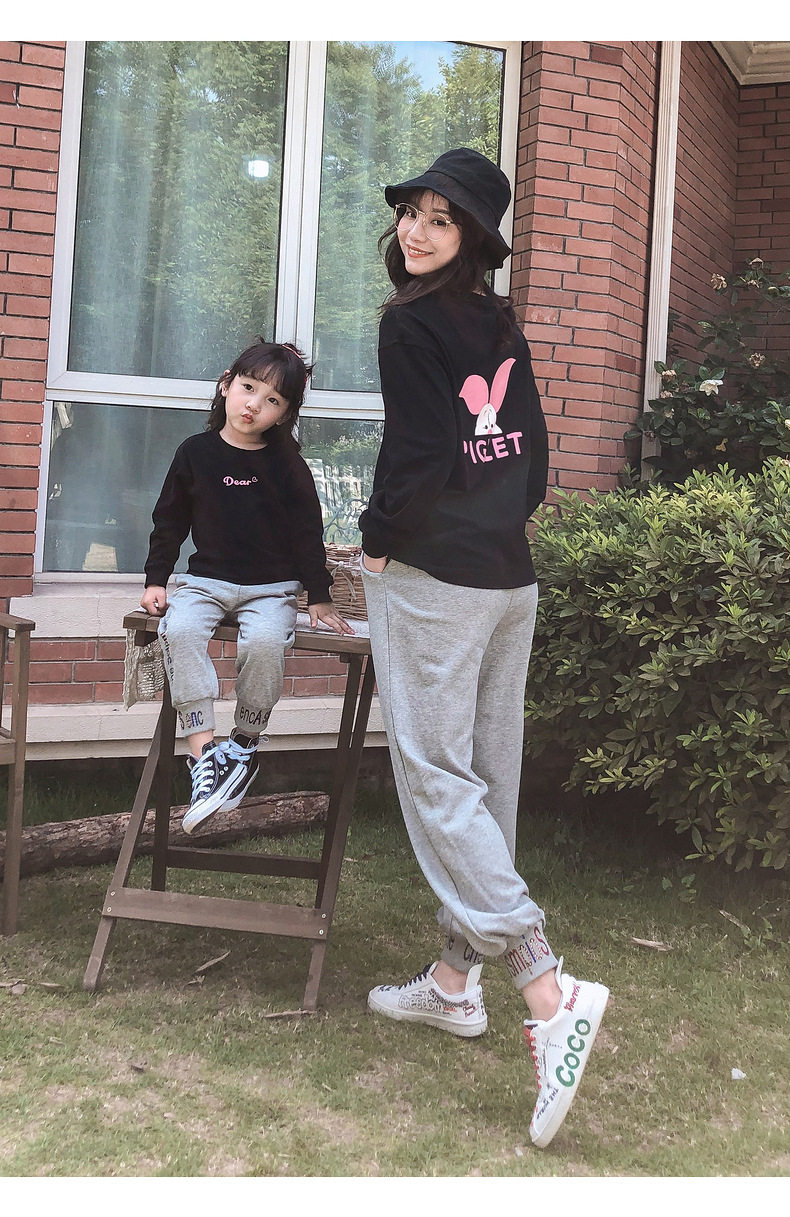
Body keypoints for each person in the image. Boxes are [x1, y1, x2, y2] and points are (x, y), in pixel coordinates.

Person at [358, 148, 609, 1149]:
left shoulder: (409, 322)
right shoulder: (495, 321)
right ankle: (454, 982)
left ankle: (546, 987)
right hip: (509, 577)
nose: (417, 231)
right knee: (486, 777)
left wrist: (377, 541)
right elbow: (530, 457)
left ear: (472, 239)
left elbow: (420, 450)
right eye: (413, 213)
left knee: (436, 777)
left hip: (437, 579)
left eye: (441, 219)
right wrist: (495, 524)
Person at [142, 339, 353, 834]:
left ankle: (244, 744)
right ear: (226, 385)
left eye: (272, 400)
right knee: (180, 631)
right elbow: (169, 520)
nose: (254, 404)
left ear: (284, 414)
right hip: (204, 581)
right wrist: (156, 579)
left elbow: (307, 531)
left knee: (264, 643)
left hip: (271, 588)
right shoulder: (194, 453)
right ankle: (204, 755)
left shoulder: (287, 465)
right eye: (248, 387)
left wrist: (319, 595)